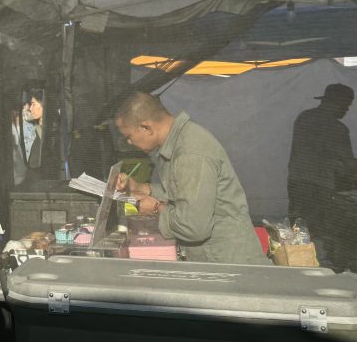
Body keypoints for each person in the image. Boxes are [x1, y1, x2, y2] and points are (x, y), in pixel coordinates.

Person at [114, 92, 268, 265]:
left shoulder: (190, 152)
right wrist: (143, 188)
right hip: (219, 260)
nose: (129, 142)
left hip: (229, 264)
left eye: (129, 136)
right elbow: (184, 193)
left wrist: (155, 209)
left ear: (146, 128)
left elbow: (194, 227)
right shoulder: (179, 142)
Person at [288, 83, 356, 270]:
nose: (347, 110)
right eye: (347, 105)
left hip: (296, 180)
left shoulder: (304, 118)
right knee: (319, 228)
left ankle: (295, 262)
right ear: (338, 102)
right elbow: (348, 164)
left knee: (299, 225)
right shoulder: (338, 128)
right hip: (319, 185)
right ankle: (320, 266)